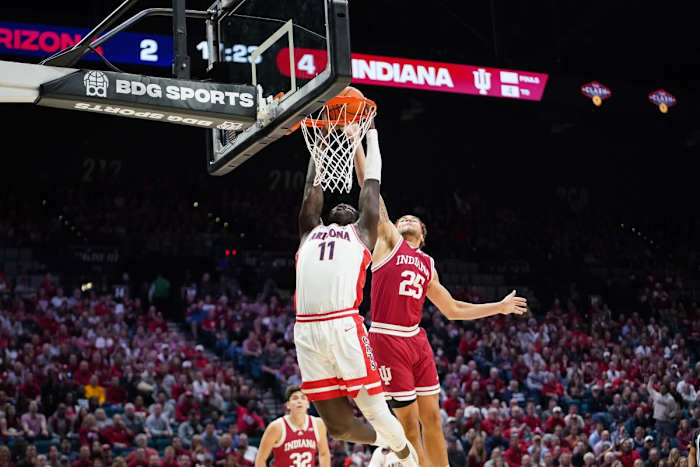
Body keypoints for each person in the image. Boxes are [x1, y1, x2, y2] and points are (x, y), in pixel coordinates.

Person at [352, 134, 527, 467]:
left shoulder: (428, 264)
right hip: (388, 338)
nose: (404, 219)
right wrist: (357, 144)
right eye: (400, 218)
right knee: (409, 425)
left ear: (422, 232)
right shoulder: (388, 242)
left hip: (417, 341)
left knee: (432, 421)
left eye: (411, 219)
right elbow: (369, 194)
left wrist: (499, 307)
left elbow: (452, 309)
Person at [294, 111, 418, 466]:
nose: (345, 204)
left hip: (343, 326)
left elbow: (372, 183)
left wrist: (370, 132)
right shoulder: (309, 230)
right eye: (339, 205)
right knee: (339, 428)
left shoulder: (362, 232)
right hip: (306, 332)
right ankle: (392, 441)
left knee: (375, 410)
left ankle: (408, 458)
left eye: (351, 205)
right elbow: (311, 190)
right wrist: (318, 142)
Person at [255, 385, 330, 467]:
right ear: (288, 405)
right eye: (295, 398)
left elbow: (324, 453)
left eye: (303, 398)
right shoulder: (276, 427)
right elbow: (260, 459)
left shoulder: (318, 424)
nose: (299, 401)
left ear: (308, 404)